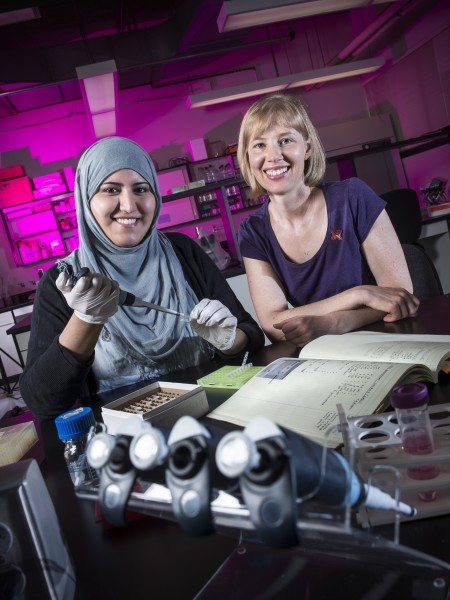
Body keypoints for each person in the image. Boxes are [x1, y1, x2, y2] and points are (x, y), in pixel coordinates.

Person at [20, 136, 264, 420]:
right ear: (86, 200)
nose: (129, 205)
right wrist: (86, 319)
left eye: (141, 189)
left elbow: (252, 337)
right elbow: (43, 402)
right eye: (111, 189)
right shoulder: (63, 280)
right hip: (127, 440)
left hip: (211, 417)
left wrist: (230, 341)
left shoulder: (183, 252)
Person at [237, 93, 419, 347]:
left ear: (308, 148)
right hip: (325, 353)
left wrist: (334, 324)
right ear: (247, 157)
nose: (273, 156)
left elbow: (399, 295)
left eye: (286, 140)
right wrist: (359, 294)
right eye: (259, 145)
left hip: (389, 340)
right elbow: (273, 324)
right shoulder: (253, 231)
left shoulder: (352, 196)